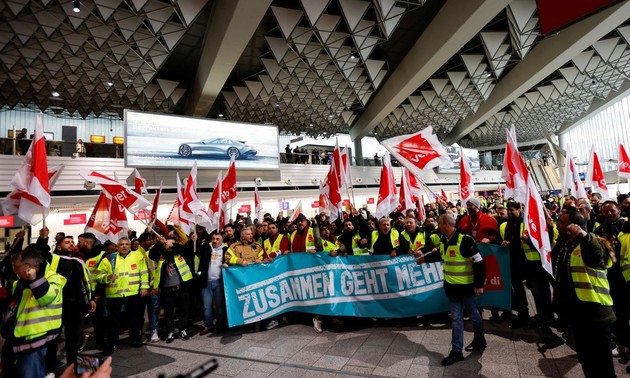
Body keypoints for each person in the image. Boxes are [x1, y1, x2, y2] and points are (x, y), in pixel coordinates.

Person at [552, 207, 616, 377]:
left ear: (573, 226)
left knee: (603, 365)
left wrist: (585, 236)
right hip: (578, 314)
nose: (557, 224)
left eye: (561, 222)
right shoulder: (567, 246)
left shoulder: (593, 243)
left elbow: (596, 254)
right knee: (586, 360)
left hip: (596, 314)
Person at [419, 213, 486, 366]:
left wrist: (479, 285)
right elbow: (442, 256)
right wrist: (425, 259)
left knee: (474, 315)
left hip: (467, 288)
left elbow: (480, 263)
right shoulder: (444, 240)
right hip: (451, 288)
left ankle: (480, 340)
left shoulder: (465, 240)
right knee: (456, 318)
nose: (438, 226)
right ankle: (457, 351)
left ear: (447, 225)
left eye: (439, 223)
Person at [1, 246, 65, 378]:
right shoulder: (20, 282)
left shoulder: (52, 279)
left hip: (34, 342)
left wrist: (34, 279)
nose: (14, 270)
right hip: (17, 340)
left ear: (28, 267)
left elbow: (46, 297)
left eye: (16, 266)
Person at [36, 229, 94, 369]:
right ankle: (50, 366)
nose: (71, 244)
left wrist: (90, 299)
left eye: (72, 242)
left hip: (76, 305)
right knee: (53, 338)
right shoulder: (54, 258)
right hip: (58, 305)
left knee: (73, 338)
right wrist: (43, 238)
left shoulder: (78, 261)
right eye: (67, 242)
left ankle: (73, 367)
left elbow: (85, 282)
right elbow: (42, 251)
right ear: (59, 246)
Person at [498, 202, 553, 333]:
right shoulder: (504, 225)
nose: (509, 212)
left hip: (531, 264)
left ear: (520, 209)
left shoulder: (529, 223)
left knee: (538, 293)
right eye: (508, 210)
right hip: (514, 262)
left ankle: (543, 319)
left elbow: (543, 243)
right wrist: (503, 244)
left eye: (512, 210)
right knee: (518, 291)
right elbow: (503, 241)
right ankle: (523, 315)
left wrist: (527, 240)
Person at [103, 237, 149, 353]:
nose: (124, 246)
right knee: (113, 321)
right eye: (122, 244)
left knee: (134, 318)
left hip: (132, 293)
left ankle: (135, 339)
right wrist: (107, 278)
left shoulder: (137, 256)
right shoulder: (110, 258)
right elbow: (99, 274)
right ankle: (113, 343)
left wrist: (144, 287)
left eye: (127, 244)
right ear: (118, 247)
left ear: (130, 245)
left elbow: (144, 272)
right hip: (114, 294)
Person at [150, 234, 194, 343]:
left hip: (181, 288)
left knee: (184, 310)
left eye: (171, 244)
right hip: (167, 290)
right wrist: (159, 243)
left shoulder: (180, 254)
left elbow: (187, 250)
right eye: (167, 244)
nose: (168, 246)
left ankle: (182, 329)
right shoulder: (161, 256)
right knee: (168, 312)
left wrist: (173, 245)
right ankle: (170, 332)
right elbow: (152, 254)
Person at [195, 232, 228, 336]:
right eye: (213, 238)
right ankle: (208, 325)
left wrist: (228, 264)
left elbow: (231, 261)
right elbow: (196, 251)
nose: (214, 241)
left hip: (219, 282)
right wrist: (195, 240)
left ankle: (219, 325)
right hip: (206, 283)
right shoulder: (206, 247)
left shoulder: (226, 250)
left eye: (217, 239)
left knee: (220, 306)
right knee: (206, 306)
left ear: (222, 240)